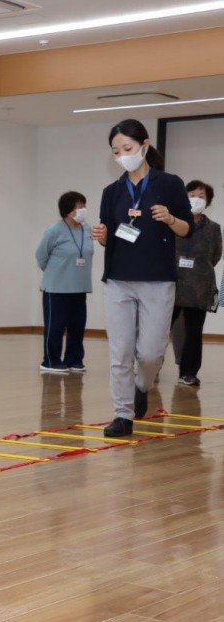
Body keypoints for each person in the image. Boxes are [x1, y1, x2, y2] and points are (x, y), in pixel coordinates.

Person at [91, 119, 193, 438]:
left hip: (158, 280)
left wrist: (170, 218)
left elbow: (187, 228)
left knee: (150, 353)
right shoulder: (112, 192)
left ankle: (141, 384)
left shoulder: (170, 183)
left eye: (128, 148)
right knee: (120, 351)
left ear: (145, 146)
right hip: (118, 279)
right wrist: (102, 235)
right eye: (116, 151)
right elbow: (110, 235)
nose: (122, 155)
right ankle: (123, 415)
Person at [35, 191, 94, 374]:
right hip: (56, 288)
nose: (83, 210)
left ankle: (74, 360)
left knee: (77, 326)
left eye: (84, 205)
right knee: (56, 326)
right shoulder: (55, 230)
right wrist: (54, 273)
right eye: (79, 207)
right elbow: (41, 256)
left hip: (79, 287)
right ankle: (50, 361)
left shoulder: (87, 229)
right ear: (68, 211)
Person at [170, 180, 221, 386]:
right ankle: (150, 369)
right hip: (172, 283)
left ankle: (188, 372)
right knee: (158, 329)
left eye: (201, 196)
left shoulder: (214, 228)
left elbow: (215, 255)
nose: (196, 199)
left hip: (199, 286)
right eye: (192, 194)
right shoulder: (172, 222)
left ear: (207, 201)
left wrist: (199, 268)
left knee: (193, 332)